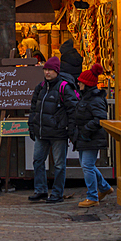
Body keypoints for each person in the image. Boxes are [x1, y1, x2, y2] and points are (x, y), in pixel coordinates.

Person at [27, 56, 78, 204]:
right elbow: (34, 109)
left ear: (57, 71)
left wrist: (70, 129)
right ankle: (41, 190)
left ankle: (57, 193)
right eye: (46, 69)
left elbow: (72, 109)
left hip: (58, 133)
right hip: (42, 132)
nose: (47, 73)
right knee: (37, 161)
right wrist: (32, 126)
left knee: (59, 164)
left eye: (50, 70)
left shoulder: (64, 87)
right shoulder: (41, 87)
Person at [71, 63, 112, 208]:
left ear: (86, 84)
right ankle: (105, 187)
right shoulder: (88, 97)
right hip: (86, 137)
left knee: (87, 165)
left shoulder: (94, 99)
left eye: (81, 81)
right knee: (87, 165)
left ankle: (93, 196)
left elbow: (100, 118)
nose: (78, 83)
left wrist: (85, 130)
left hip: (91, 137)